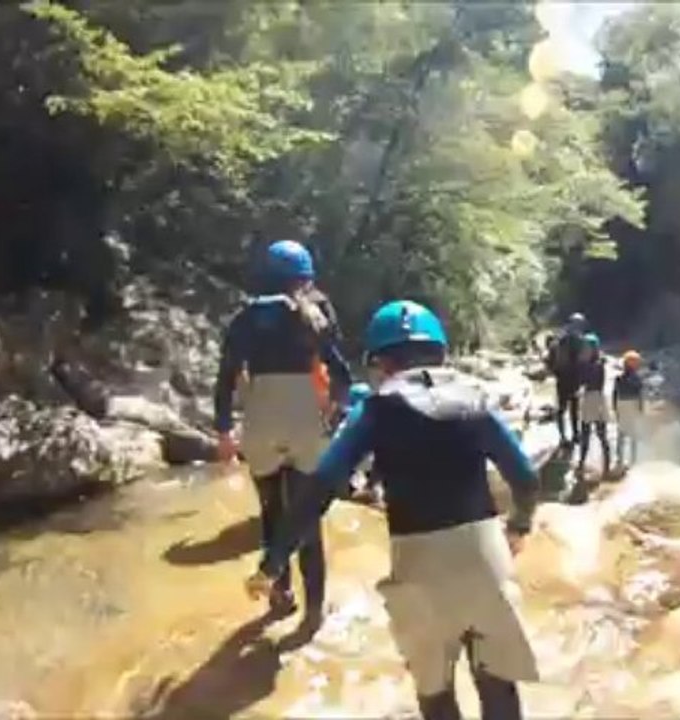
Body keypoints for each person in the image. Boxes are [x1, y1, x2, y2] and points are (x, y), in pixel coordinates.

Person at [262, 299, 541, 720]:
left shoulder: (374, 411)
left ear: (379, 362)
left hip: (419, 566)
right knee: (498, 686)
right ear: (441, 351)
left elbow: (321, 484)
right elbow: (525, 477)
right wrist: (519, 525)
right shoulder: (476, 399)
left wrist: (274, 559)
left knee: (436, 692)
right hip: (485, 559)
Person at [213, 239, 352, 626]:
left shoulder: (246, 316)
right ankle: (314, 612)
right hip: (307, 420)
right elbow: (341, 374)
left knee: (272, 513)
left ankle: (281, 596)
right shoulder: (319, 310)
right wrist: (337, 414)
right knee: (306, 517)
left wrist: (224, 432)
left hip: (261, 422)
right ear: (305, 278)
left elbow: (225, 379)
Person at [545, 312, 586, 445]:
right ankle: (575, 435)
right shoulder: (578, 339)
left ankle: (563, 437)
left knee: (562, 408)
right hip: (573, 378)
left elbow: (550, 359)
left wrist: (553, 371)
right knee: (574, 407)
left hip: (561, 378)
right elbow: (581, 361)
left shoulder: (559, 339)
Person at [576, 332, 611, 484]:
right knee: (599, 434)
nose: (584, 349)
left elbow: (584, 382)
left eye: (586, 347)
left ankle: (582, 464)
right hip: (598, 399)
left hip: (592, 398)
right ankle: (606, 465)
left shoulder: (592, 365)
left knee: (588, 433)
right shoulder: (599, 363)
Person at [613, 350, 646, 469]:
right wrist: (641, 410)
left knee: (621, 434)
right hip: (632, 405)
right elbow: (640, 396)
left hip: (622, 405)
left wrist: (615, 409)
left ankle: (619, 459)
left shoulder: (619, 378)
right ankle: (633, 460)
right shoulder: (637, 379)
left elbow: (615, 395)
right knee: (633, 435)